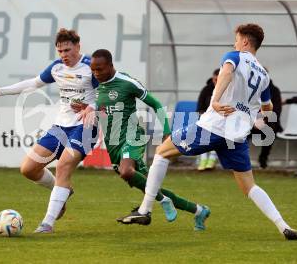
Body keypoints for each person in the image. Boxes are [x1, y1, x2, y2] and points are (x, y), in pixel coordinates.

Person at [119, 23, 297, 240]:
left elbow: (226, 72)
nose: (235, 43)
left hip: (214, 126)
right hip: (237, 135)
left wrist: (215, 100)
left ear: (245, 41)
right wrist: (255, 117)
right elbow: (269, 108)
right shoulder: (264, 75)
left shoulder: (235, 56)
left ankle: (145, 210)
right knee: (249, 186)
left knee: (161, 152)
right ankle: (284, 226)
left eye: (237, 39)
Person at [73, 49, 210, 229]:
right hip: (113, 144)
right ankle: (199, 211)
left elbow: (156, 104)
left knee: (126, 171)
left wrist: (167, 131)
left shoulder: (127, 82)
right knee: (149, 187)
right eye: (93, 70)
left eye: (100, 69)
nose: (96, 74)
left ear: (111, 66)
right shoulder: (99, 88)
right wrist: (88, 109)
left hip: (133, 137)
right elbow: (106, 111)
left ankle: (162, 202)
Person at [0, 28, 98, 233]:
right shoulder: (57, 68)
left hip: (85, 127)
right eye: (60, 51)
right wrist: (0, 91)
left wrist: (92, 108)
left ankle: (47, 223)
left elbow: (107, 92)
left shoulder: (91, 67)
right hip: (61, 126)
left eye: (68, 50)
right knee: (28, 168)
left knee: (63, 167)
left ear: (78, 47)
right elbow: (33, 83)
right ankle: (63, 191)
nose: (64, 55)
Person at [250, 77, 283, 169]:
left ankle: (263, 159)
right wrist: (253, 121)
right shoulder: (248, 88)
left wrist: (264, 120)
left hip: (267, 122)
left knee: (271, 130)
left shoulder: (274, 90)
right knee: (238, 128)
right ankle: (239, 159)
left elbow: (276, 110)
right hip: (250, 122)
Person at [196, 68, 219, 171]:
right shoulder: (206, 90)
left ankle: (212, 158)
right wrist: (206, 117)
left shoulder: (228, 90)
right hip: (207, 119)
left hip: (221, 121)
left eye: (219, 80)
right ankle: (204, 159)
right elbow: (200, 108)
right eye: (215, 79)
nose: (216, 82)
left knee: (216, 133)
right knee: (205, 133)